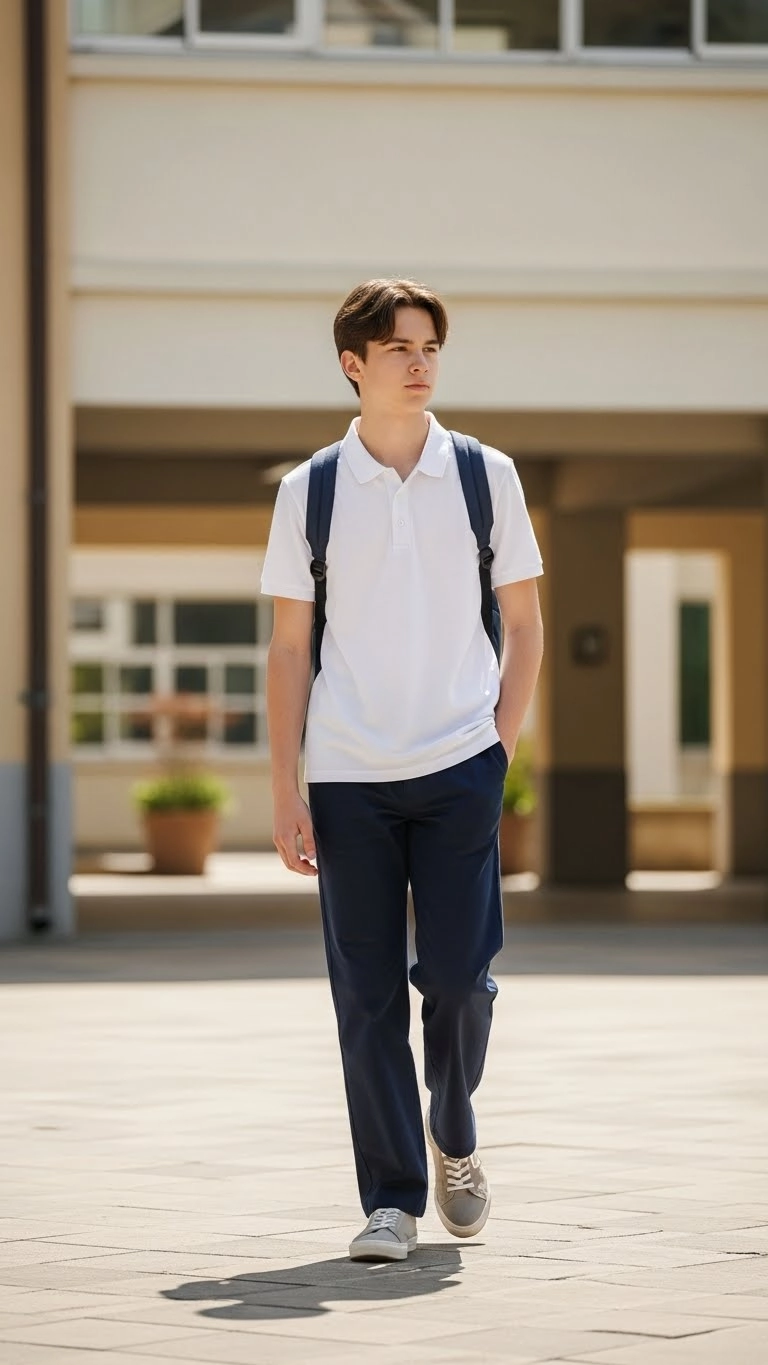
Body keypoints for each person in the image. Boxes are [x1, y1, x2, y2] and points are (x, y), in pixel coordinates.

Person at [260, 278, 544, 1261]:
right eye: (398, 349)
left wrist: (499, 745)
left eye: (430, 346)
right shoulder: (311, 491)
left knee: (461, 980)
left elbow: (523, 623)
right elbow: (290, 650)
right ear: (354, 364)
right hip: (348, 778)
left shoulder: (484, 475)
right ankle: (392, 1198)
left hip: (461, 764)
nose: (419, 363)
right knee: (366, 995)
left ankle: (453, 1128)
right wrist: (286, 789)